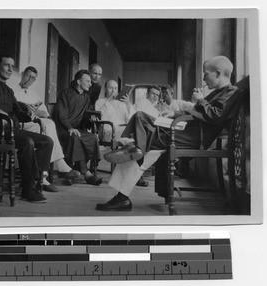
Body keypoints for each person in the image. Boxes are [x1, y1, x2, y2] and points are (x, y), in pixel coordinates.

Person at [96, 55, 238, 211]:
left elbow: (215, 116)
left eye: (206, 73)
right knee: (140, 116)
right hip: (185, 130)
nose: (204, 78)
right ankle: (132, 147)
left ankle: (130, 151)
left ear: (218, 74)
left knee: (145, 143)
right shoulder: (217, 92)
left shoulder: (230, 92)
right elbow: (198, 112)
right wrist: (175, 114)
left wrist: (200, 100)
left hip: (194, 136)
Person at [0, 55, 54, 202]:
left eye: (12, 66)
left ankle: (33, 180)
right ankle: (27, 188)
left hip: (12, 130)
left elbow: (17, 111)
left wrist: (31, 116)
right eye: (6, 65)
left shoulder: (8, 90)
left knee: (47, 141)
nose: (10, 69)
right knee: (27, 142)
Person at [13, 66, 80, 186]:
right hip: (21, 124)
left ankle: (43, 175)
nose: (29, 80)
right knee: (48, 126)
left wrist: (35, 112)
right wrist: (27, 111)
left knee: (48, 123)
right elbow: (13, 111)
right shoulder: (12, 91)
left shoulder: (34, 94)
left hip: (35, 122)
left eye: (33, 78)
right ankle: (55, 169)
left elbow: (45, 113)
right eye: (28, 76)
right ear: (22, 74)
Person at [53, 69, 102, 185]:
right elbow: (61, 115)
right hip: (62, 129)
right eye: (88, 81)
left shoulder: (86, 98)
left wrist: (91, 119)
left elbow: (84, 118)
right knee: (76, 137)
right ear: (79, 82)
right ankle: (87, 174)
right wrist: (70, 128)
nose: (90, 84)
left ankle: (72, 172)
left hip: (77, 129)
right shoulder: (65, 93)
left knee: (92, 138)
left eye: (91, 82)